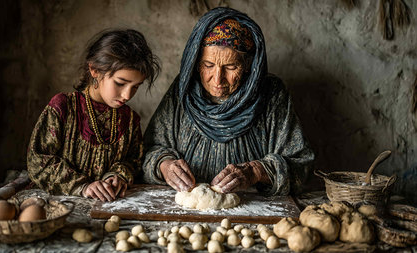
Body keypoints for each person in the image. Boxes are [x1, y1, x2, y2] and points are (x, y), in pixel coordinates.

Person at [143, 7, 314, 196]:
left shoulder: (271, 95)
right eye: (208, 65)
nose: (218, 79)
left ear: (249, 65)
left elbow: (301, 166)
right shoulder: (183, 92)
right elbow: (148, 151)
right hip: (187, 210)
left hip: (253, 213)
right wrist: (164, 165)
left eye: (231, 67)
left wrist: (256, 171)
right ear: (196, 62)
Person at [27, 29, 160, 202]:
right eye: (120, 83)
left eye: (136, 86)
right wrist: (83, 186)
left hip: (106, 207)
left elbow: (133, 160)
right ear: (94, 70)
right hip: (55, 205)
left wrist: (117, 176)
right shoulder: (63, 108)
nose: (127, 95)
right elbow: (38, 161)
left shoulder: (129, 119)